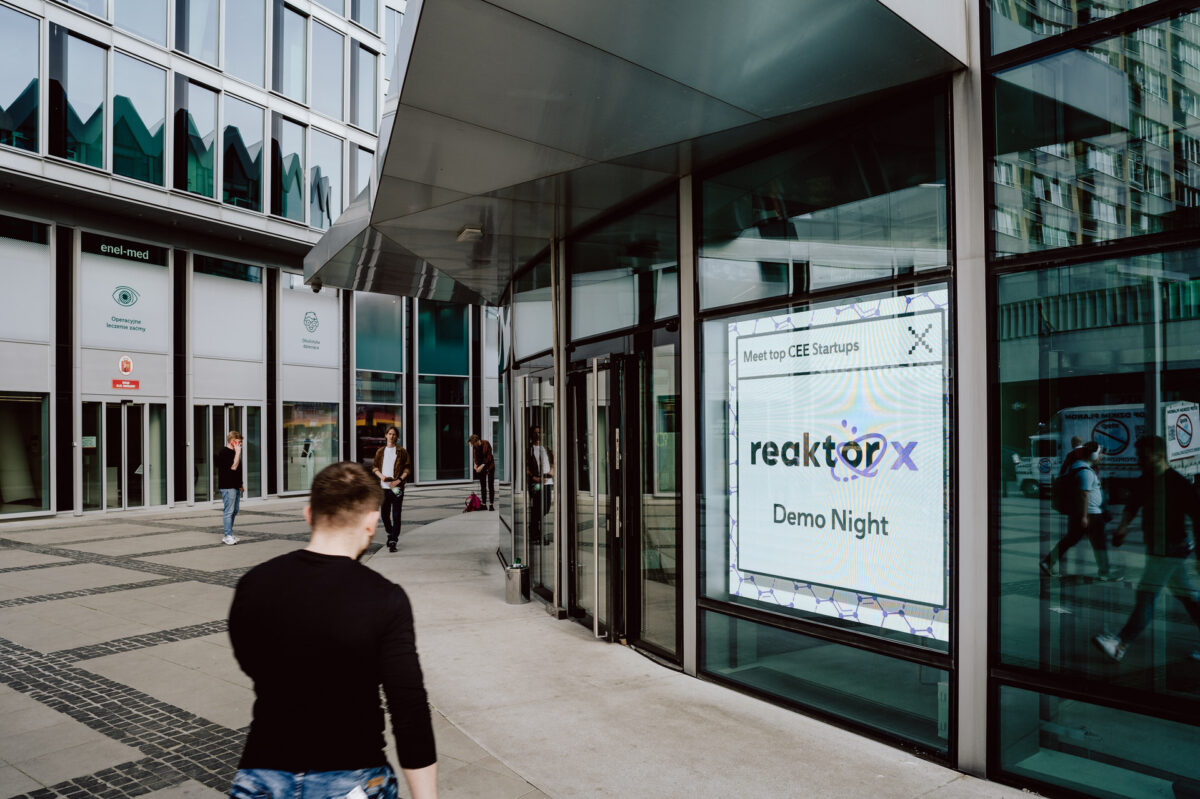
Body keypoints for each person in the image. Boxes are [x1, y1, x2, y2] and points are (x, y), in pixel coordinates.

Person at [228, 462, 437, 799]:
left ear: (308, 514)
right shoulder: (385, 598)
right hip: (353, 772)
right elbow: (409, 709)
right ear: (371, 522)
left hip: (262, 771)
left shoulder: (254, 584)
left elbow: (251, 662)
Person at [1094, 436, 1200, 663]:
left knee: (1146, 594)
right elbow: (1133, 505)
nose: (1139, 460)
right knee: (1188, 597)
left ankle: (1120, 644)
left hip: (1171, 550)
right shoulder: (1147, 479)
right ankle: (1120, 643)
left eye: (1144, 456)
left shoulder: (1178, 483)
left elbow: (1198, 519)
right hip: (1159, 549)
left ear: (1159, 455)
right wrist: (1123, 527)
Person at [1040, 441, 1113, 579]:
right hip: (1091, 514)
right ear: (1092, 455)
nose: (1101, 457)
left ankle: (1047, 562)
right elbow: (1083, 494)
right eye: (1099, 454)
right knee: (1099, 544)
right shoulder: (1085, 472)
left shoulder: (1078, 467)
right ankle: (1105, 572)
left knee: (1070, 540)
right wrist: (1084, 516)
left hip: (1083, 513)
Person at [372, 425, 411, 553]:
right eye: (389, 434)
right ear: (386, 435)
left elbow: (407, 469)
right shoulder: (380, 452)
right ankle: (390, 532)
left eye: (394, 434)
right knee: (384, 515)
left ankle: (393, 540)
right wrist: (381, 477)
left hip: (397, 488)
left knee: (396, 514)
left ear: (397, 437)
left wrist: (398, 481)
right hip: (384, 488)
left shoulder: (402, 451)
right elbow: (375, 467)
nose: (391, 436)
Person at [215, 431, 244, 546]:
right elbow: (233, 467)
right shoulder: (225, 452)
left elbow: (238, 471)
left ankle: (229, 534)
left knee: (235, 510)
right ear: (232, 441)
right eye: (238, 442)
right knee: (229, 511)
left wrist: (241, 484)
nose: (240, 445)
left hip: (235, 486)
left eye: (241, 443)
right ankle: (227, 535)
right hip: (227, 487)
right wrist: (238, 453)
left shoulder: (234, 452)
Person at [526, 425, 554, 543]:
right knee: (537, 507)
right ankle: (535, 534)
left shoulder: (546, 448)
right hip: (537, 482)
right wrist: (534, 478)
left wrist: (552, 470)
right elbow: (526, 467)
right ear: (532, 434)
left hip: (548, 481)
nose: (539, 435)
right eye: (536, 432)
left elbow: (552, 461)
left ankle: (534, 529)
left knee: (546, 508)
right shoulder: (530, 449)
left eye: (540, 432)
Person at [468, 434, 495, 511]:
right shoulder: (475, 447)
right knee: (483, 486)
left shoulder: (486, 443)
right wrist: (475, 465)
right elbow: (475, 457)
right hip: (481, 467)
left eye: (473, 444)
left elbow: (488, 457)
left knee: (490, 485)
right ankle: (483, 504)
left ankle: (491, 504)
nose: (473, 446)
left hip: (490, 467)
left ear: (477, 441)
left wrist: (481, 466)